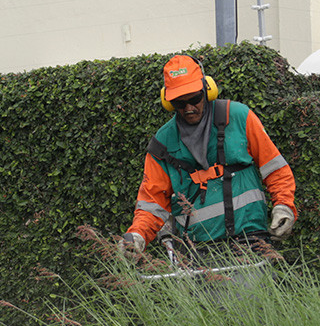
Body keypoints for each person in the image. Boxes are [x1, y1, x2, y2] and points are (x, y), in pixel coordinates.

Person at [121, 54, 296, 257]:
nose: (189, 108)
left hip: (251, 240)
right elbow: (152, 202)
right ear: (168, 102)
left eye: (195, 98)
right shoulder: (163, 143)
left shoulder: (238, 117)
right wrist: (137, 235)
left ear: (207, 90)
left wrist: (284, 206)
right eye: (179, 103)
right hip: (196, 251)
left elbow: (275, 169)